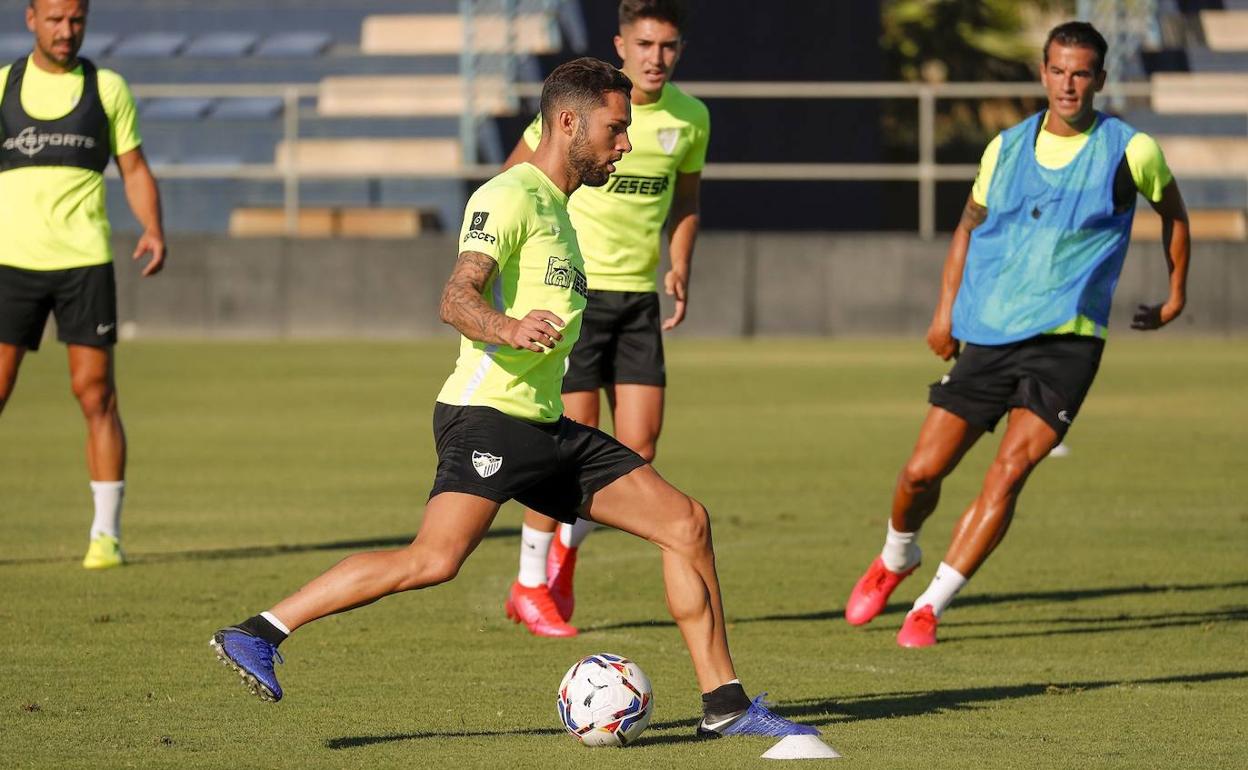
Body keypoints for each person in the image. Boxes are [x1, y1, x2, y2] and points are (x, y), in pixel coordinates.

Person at [210, 58, 812, 741]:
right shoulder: (510, 195)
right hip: (489, 417)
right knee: (433, 560)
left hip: (544, 426)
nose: (624, 145)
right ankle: (260, 632)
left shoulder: (560, 207)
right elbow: (456, 296)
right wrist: (509, 326)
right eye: (615, 130)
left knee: (685, 523)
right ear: (567, 122)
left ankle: (724, 701)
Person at [843, 21, 1190, 648]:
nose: (1068, 83)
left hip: (1069, 343)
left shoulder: (1130, 149)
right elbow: (967, 228)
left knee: (1007, 472)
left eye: (1081, 72)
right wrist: (944, 312)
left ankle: (930, 606)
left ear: (1100, 80)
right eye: (1058, 70)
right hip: (990, 335)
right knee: (921, 473)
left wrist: (1175, 296)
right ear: (1043, 72)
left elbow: (1174, 213)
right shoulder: (1004, 148)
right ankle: (897, 556)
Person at [500, 0, 710, 638]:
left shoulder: (691, 118)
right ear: (621, 46)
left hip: (637, 300)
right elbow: (515, 178)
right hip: (577, 299)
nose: (656, 58)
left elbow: (688, 200)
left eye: (668, 46)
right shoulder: (582, 113)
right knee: (570, 440)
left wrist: (679, 264)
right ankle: (530, 582)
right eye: (645, 45)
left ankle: (566, 548)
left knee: (640, 447)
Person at [0, 0, 165, 569]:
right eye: (54, 19)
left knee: (96, 395)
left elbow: (135, 168)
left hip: (83, 264)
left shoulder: (108, 88)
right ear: (31, 19)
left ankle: (106, 535)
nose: (66, 31)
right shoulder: (2, 86)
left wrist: (151, 226)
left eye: (76, 20)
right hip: (9, 264)